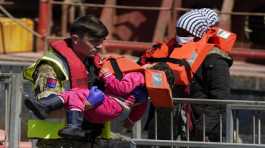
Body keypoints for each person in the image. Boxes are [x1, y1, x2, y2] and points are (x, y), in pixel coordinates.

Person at [139, 8, 235, 143]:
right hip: (165, 126)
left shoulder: (215, 60)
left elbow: (220, 97)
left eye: (185, 33)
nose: (180, 36)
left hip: (198, 128)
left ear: (200, 33)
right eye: (179, 31)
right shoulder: (170, 50)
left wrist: (202, 130)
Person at [23, 15, 109, 146]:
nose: (100, 46)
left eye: (102, 41)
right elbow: (44, 108)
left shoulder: (95, 64)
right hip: (56, 141)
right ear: (75, 39)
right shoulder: (51, 66)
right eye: (94, 41)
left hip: (91, 138)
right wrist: (88, 105)